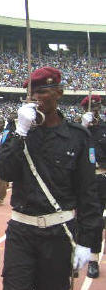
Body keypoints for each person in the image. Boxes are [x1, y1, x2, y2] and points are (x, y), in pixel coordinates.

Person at [0, 67, 103, 290]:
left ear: (59, 93)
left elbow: (87, 194)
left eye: (42, 91)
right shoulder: (19, 132)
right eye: (30, 93)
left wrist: (87, 241)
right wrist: (20, 132)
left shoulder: (77, 136)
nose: (35, 98)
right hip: (21, 231)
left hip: (58, 232)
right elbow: (5, 173)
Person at [80, 94, 106, 278]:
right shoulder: (78, 129)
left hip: (104, 176)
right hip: (87, 180)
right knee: (88, 222)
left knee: (98, 222)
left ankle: (94, 259)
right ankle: (90, 259)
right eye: (91, 108)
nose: (95, 111)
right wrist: (83, 127)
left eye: (97, 107)